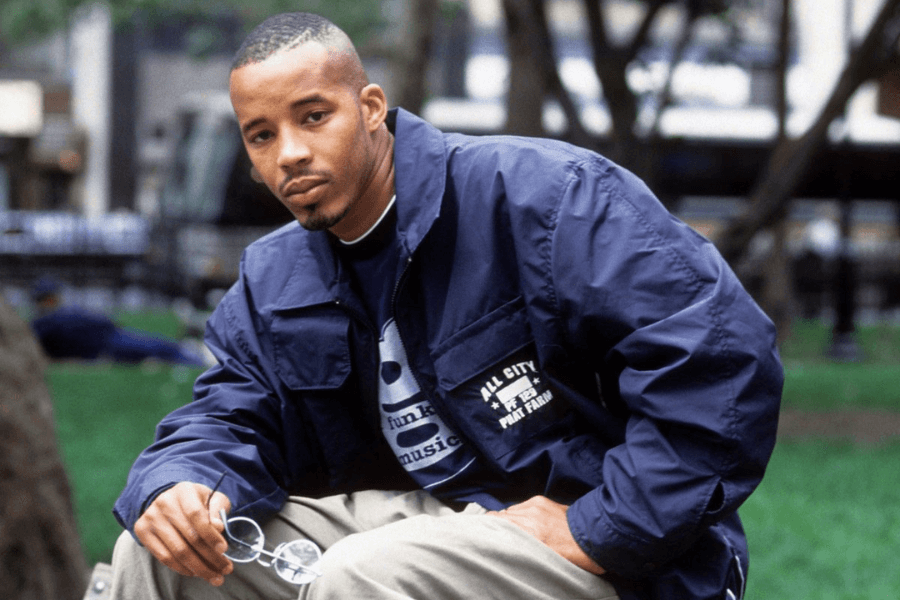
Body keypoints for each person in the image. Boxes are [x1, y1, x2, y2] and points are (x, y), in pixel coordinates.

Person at [110, 12, 783, 600]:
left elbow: (719, 361)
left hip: (606, 549)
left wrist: (600, 526)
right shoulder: (272, 277)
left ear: (371, 107)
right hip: (417, 526)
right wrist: (182, 483)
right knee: (159, 559)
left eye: (314, 116)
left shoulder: (544, 199)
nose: (290, 153)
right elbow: (228, 416)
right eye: (261, 135)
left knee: (362, 576)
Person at [29, 277, 206, 366]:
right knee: (157, 347)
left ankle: (194, 359)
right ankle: (196, 362)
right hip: (106, 344)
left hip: (109, 339)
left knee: (158, 346)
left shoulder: (51, 318)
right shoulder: (46, 321)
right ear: (49, 299)